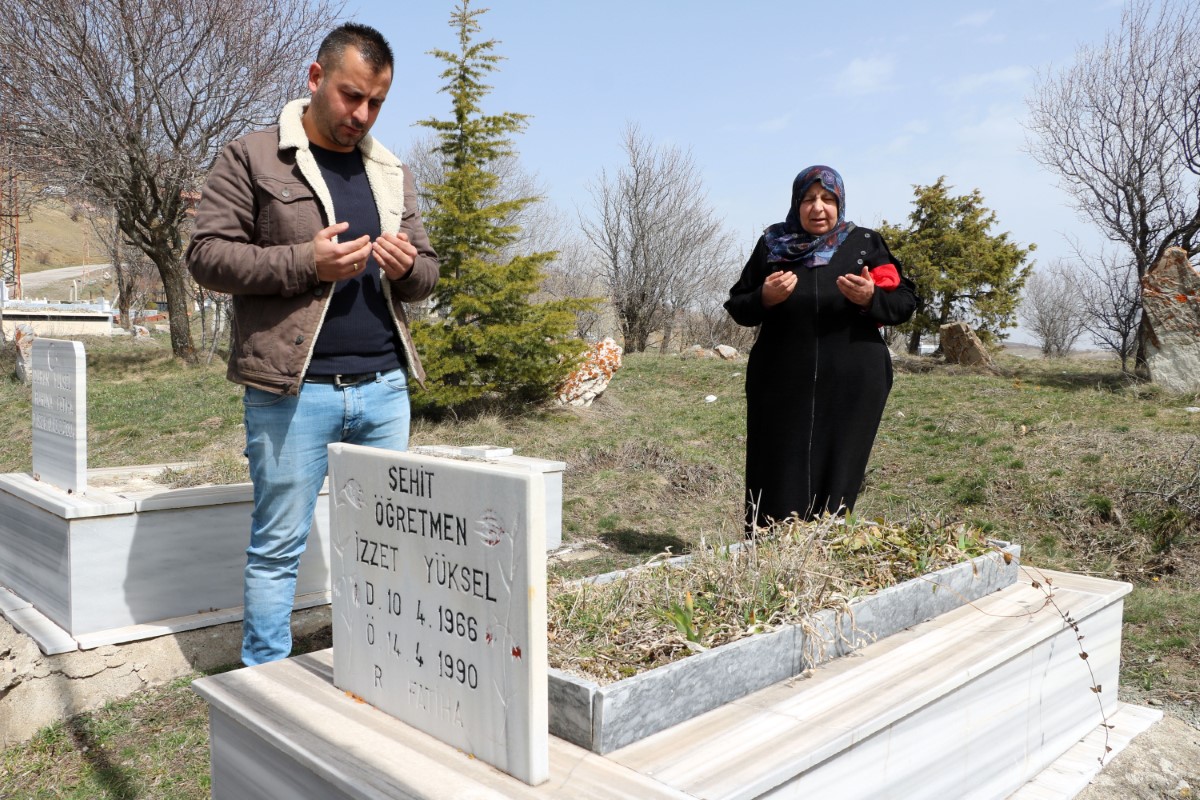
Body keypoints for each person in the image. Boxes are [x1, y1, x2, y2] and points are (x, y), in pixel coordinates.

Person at [187, 23, 438, 666]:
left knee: (386, 545)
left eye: (376, 102)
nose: (363, 114)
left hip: (384, 390)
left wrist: (409, 268)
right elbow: (207, 255)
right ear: (316, 77)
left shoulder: (390, 170)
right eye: (352, 96)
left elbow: (427, 273)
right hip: (292, 393)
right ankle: (265, 683)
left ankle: (378, 669)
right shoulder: (252, 156)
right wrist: (306, 262)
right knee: (278, 547)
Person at [724, 165, 916, 533]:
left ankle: (825, 546)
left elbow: (904, 304)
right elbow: (738, 305)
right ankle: (771, 547)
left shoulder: (864, 243)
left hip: (853, 382)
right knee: (776, 465)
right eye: (809, 199)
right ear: (796, 203)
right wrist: (765, 296)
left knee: (839, 466)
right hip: (780, 381)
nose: (818, 207)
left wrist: (871, 297)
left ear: (839, 203)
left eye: (828, 199)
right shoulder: (773, 244)